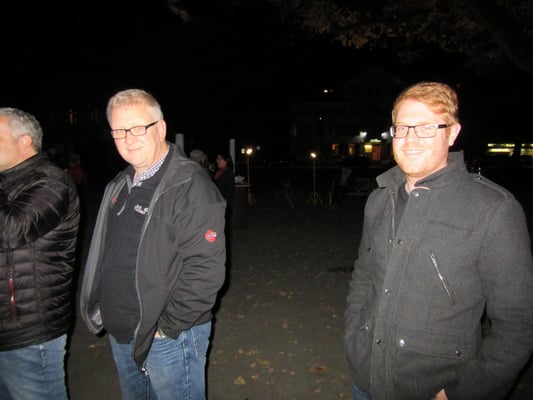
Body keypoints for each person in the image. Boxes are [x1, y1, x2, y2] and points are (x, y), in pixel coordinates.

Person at [344, 81, 533, 400]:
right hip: (366, 378)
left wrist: (462, 392)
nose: (411, 139)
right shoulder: (379, 200)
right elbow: (364, 275)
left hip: (434, 389)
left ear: (452, 133)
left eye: (426, 128)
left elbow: (519, 325)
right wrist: (354, 337)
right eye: (402, 128)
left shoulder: (493, 210)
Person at [79, 89, 227, 399]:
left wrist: (167, 328)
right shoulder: (120, 184)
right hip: (122, 330)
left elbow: (205, 269)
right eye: (119, 131)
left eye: (137, 128)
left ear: (160, 129)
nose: (128, 139)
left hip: (168, 337)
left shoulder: (190, 185)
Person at [0, 107, 80, 399]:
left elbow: (11, 232)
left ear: (24, 142)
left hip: (29, 331)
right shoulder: (7, 182)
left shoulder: (50, 181)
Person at [214, 153, 235, 269]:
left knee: (225, 226)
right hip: (219, 204)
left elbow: (222, 189)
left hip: (225, 204)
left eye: (220, 159)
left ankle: (225, 248)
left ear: (226, 161)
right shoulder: (219, 172)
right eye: (217, 159)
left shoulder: (228, 173)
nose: (218, 161)